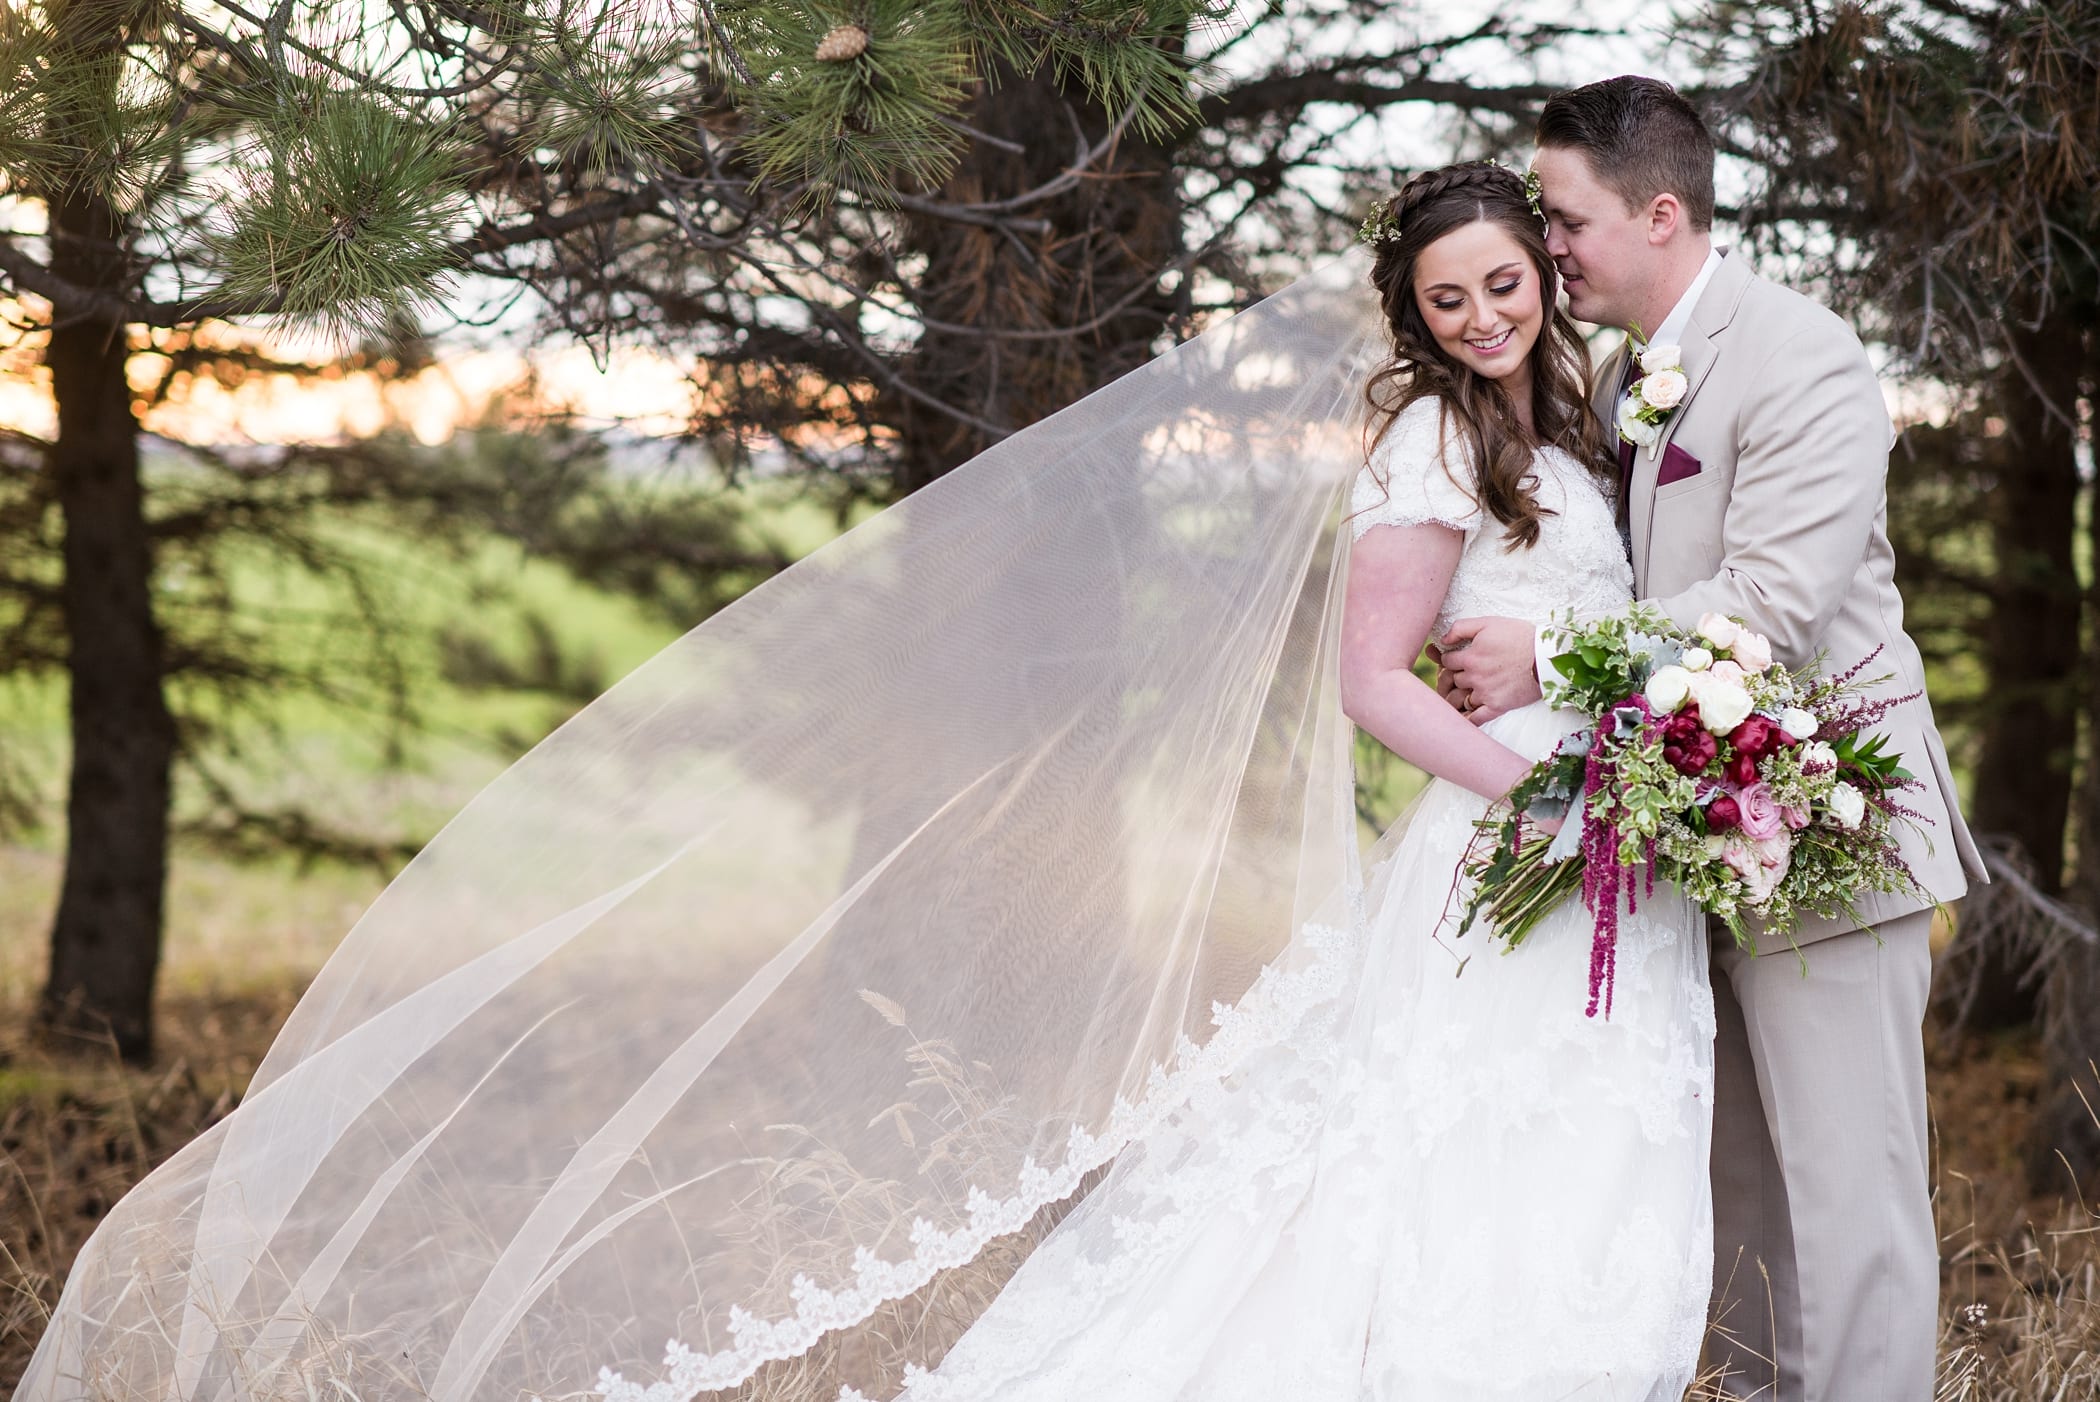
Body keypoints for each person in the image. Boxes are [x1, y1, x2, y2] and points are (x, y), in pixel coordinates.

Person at [14, 163, 1705, 1402]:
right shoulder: (1429, 441)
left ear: (1548, 278)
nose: (1482, 314)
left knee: (1546, 1138)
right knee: (1441, 1137)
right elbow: (1365, 683)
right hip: (1516, 842)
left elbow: (1568, 616)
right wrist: (1538, 789)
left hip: (1595, 825)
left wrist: (1590, 701)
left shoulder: (1578, 409)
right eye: (1447, 299)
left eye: (1501, 283)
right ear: (1412, 316)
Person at [1436, 77, 1987, 1402]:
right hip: (1696, 835)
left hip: (1830, 830)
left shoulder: (1802, 354)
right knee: (1735, 1190)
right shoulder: (1631, 373)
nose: (1547, 247)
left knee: (1850, 1204)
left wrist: (1547, 655)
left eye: (1564, 219)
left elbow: (1770, 609)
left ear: (1660, 211)